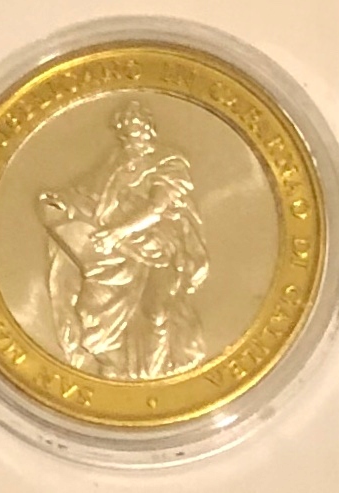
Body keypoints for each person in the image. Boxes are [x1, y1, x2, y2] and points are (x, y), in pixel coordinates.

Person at [38, 101, 209, 380]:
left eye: (138, 127)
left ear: (149, 129)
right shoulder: (116, 161)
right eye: (127, 130)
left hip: (159, 246)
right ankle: (116, 369)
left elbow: (157, 208)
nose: (133, 135)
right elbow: (90, 190)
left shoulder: (169, 161)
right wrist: (64, 200)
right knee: (92, 311)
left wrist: (117, 233)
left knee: (156, 312)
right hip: (115, 249)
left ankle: (155, 373)